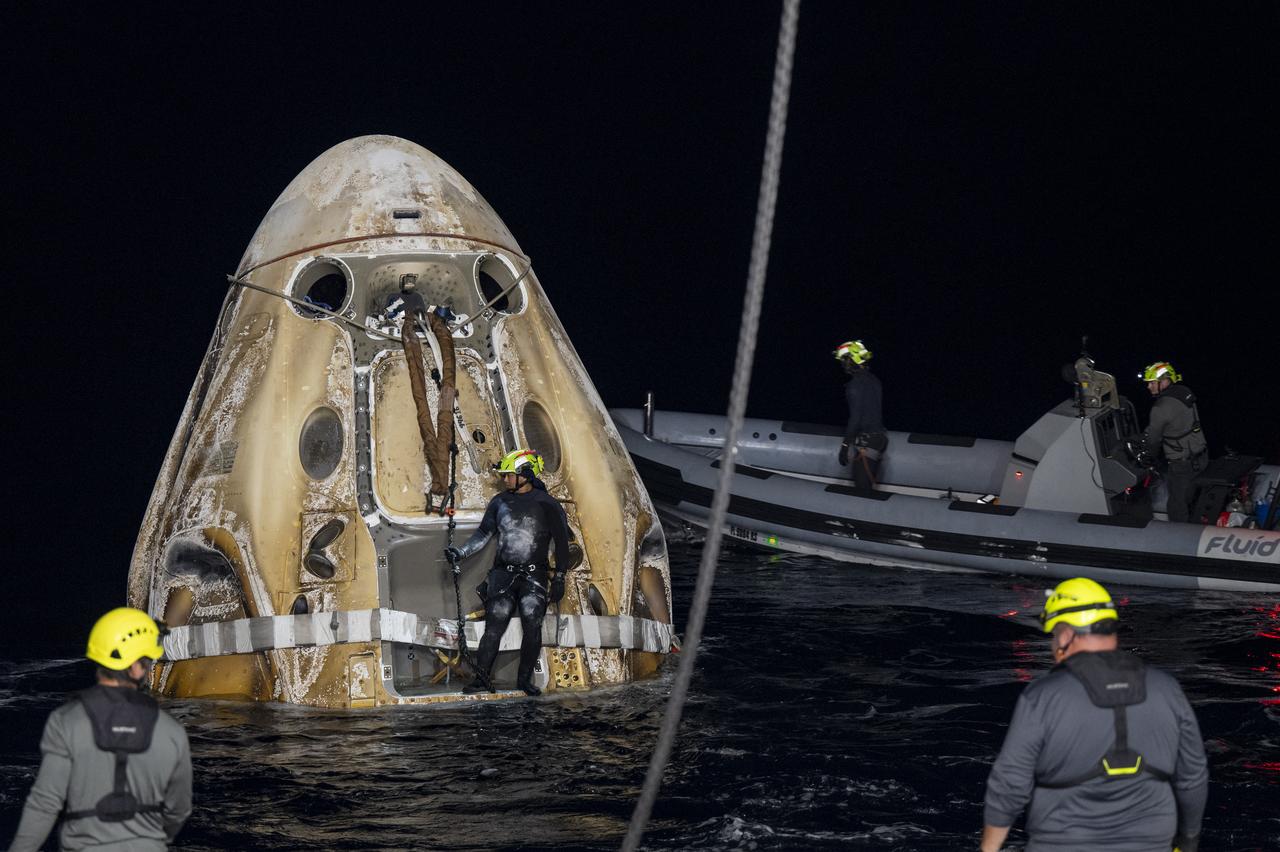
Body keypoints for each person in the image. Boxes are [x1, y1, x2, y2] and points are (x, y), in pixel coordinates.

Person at [981, 578, 1208, 852]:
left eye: (1054, 637)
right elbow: (1192, 776)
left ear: (1066, 636)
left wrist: (989, 848)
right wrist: (1189, 840)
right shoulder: (1167, 688)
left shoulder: (1044, 695)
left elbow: (1009, 783)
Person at [9, 608, 193, 852]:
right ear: (136, 668)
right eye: (148, 661)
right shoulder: (171, 731)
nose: (149, 669)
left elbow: (45, 804)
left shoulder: (65, 721)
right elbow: (178, 810)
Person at [445, 448, 570, 696]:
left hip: (534, 578)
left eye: (508, 474)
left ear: (524, 474)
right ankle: (481, 679)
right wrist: (460, 553)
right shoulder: (499, 502)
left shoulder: (548, 505)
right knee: (494, 628)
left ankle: (523, 681)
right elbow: (483, 534)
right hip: (502, 577)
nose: (504, 479)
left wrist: (560, 577)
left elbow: (562, 542)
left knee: (532, 626)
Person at [1137, 361, 1208, 523]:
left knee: (1176, 506)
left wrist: (1147, 456)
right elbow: (1176, 422)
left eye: (1152, 383)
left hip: (1182, 465)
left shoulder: (1160, 408)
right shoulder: (1185, 393)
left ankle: (1179, 541)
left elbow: (1153, 440)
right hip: (1201, 456)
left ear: (1165, 381)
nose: (1149, 387)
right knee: (1189, 497)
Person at [834, 340, 887, 489]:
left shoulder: (854, 385)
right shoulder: (874, 380)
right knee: (867, 485)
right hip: (880, 438)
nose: (843, 365)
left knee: (862, 490)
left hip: (867, 442)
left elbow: (855, 420)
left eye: (844, 360)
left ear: (851, 360)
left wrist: (844, 446)